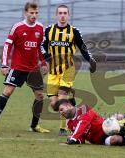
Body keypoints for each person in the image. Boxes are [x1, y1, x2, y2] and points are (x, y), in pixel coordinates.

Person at [0, 2, 49, 133]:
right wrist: (4, 65)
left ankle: (34, 126)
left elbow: (40, 47)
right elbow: (7, 46)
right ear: (25, 13)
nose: (34, 15)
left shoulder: (40, 27)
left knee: (39, 96)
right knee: (7, 92)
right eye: (31, 13)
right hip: (18, 67)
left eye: (36, 13)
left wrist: (43, 62)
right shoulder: (17, 27)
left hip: (33, 69)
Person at [41, 4, 96, 135]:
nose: (62, 15)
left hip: (68, 69)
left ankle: (63, 128)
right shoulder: (49, 30)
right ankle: (74, 110)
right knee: (54, 104)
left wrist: (91, 60)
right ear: (56, 15)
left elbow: (83, 48)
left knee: (62, 96)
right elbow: (41, 46)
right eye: (60, 13)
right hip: (53, 71)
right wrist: (46, 56)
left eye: (65, 13)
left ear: (69, 15)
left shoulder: (74, 31)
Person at [54, 99, 125, 146]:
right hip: (100, 140)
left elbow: (83, 123)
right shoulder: (69, 124)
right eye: (59, 112)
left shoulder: (84, 108)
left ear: (69, 106)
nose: (61, 113)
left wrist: (73, 139)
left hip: (107, 127)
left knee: (118, 116)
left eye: (62, 109)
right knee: (115, 139)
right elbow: (81, 138)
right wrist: (76, 140)